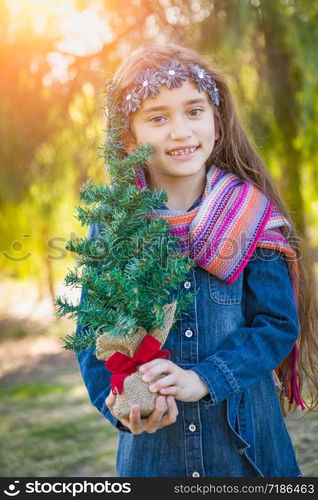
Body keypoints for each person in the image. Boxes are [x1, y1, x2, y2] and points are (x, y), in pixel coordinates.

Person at [75, 44, 318, 477]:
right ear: (128, 137)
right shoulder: (115, 225)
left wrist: (204, 378)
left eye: (194, 111)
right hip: (155, 457)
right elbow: (92, 335)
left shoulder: (251, 216)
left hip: (248, 454)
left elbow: (276, 325)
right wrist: (120, 406)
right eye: (157, 117)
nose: (181, 131)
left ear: (217, 122)